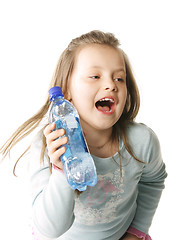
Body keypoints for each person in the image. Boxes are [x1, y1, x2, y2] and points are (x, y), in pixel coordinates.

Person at [0, 30, 167, 240]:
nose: (111, 85)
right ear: (66, 91)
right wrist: (61, 170)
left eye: (119, 78)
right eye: (95, 76)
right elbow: (49, 230)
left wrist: (137, 231)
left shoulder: (142, 141)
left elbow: (153, 181)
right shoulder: (47, 147)